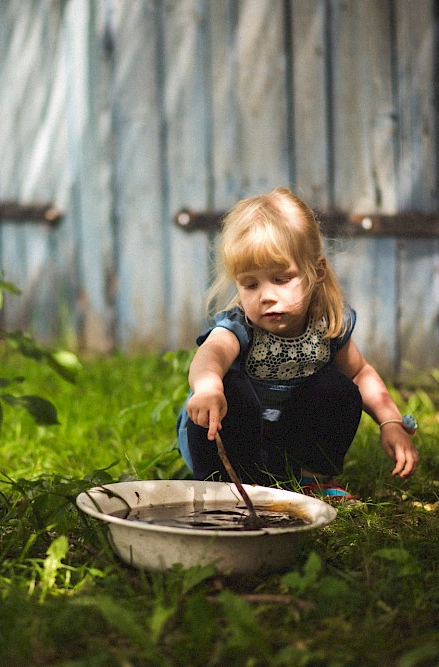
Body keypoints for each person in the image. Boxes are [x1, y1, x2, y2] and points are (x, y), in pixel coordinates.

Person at [175, 187, 419, 503]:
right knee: (230, 388)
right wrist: (209, 388)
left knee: (338, 389)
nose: (266, 295)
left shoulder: (327, 325)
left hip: (287, 447)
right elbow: (211, 354)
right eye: (251, 284)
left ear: (316, 271)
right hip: (235, 443)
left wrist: (390, 421)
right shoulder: (240, 326)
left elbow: (361, 373)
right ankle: (223, 488)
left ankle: (312, 481)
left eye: (281, 278)